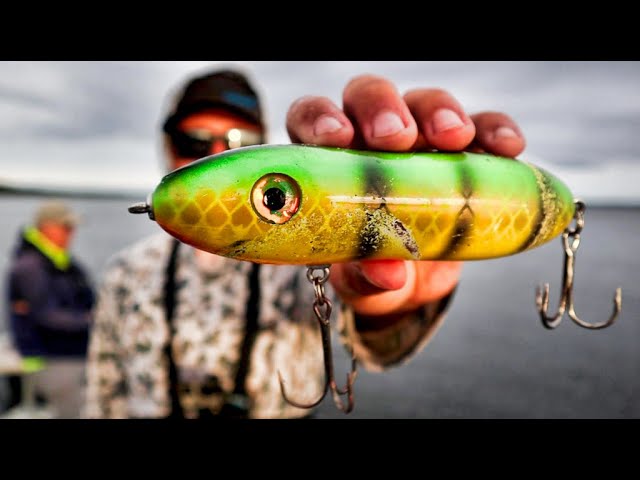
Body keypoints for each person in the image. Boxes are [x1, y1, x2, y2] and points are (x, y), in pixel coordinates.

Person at [85, 67, 526, 419]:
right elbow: (103, 391)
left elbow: (375, 347)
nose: (212, 153)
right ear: (167, 146)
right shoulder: (127, 274)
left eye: (238, 144)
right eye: (193, 140)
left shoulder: (309, 258)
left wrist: (389, 306)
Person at [6, 200, 95, 418]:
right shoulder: (30, 267)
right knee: (76, 411)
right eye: (66, 227)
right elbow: (46, 316)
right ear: (47, 228)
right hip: (52, 357)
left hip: (72, 352)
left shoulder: (61, 261)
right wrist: (93, 321)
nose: (71, 233)